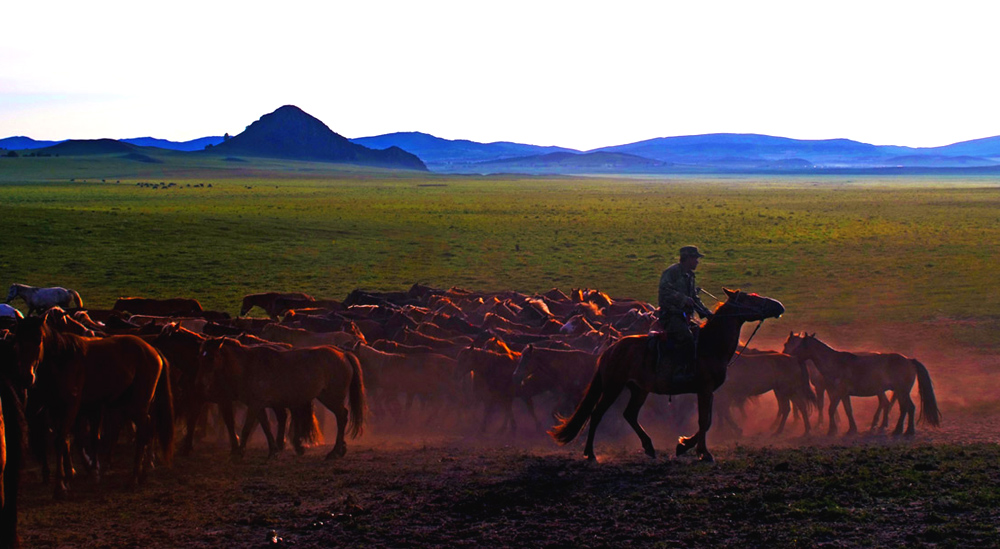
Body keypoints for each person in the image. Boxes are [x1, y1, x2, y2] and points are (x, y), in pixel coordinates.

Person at [656, 246, 713, 375]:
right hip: (670, 316)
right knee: (687, 338)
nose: (697, 261)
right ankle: (681, 370)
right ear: (687, 258)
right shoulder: (671, 272)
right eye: (695, 258)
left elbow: (694, 298)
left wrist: (707, 313)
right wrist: (683, 299)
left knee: (700, 334)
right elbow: (664, 291)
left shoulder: (690, 276)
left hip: (684, 317)